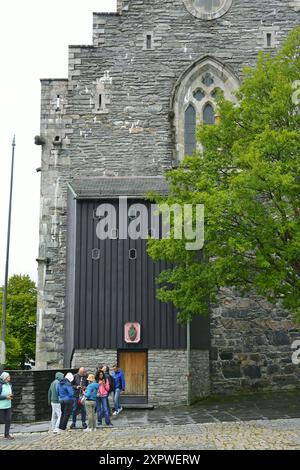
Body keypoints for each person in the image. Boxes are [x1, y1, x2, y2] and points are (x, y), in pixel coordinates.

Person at [0, 372, 14, 440]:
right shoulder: (0, 385)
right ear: (5, 378)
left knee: (8, 420)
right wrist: (6, 397)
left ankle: (7, 434)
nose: (10, 377)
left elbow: (11, 393)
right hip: (1, 406)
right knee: (1, 420)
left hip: (8, 405)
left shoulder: (10, 385)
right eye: (8, 376)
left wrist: (11, 396)